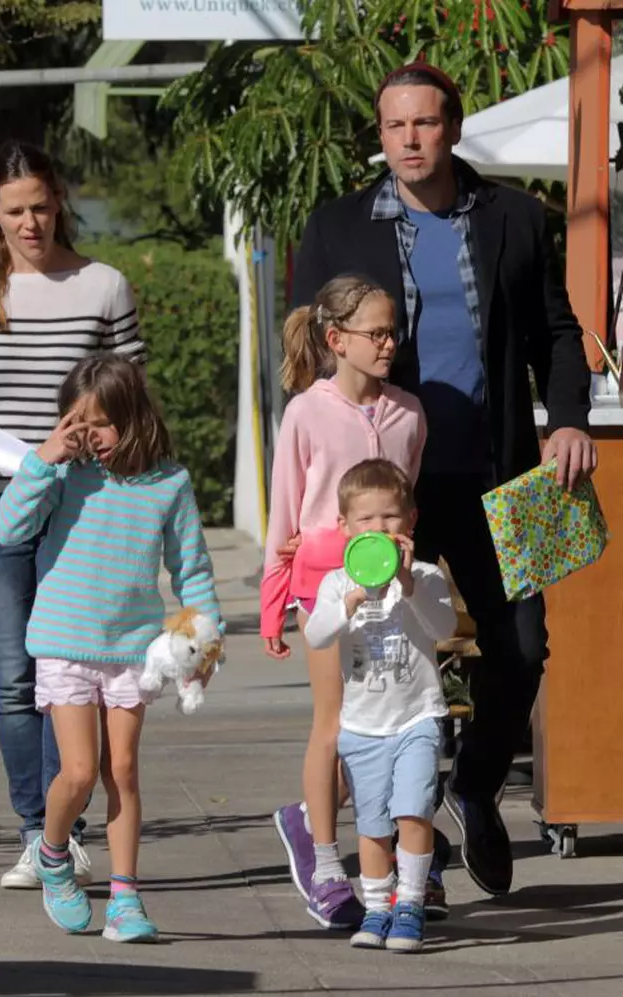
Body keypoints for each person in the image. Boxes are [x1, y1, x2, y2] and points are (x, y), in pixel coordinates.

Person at [288, 62, 596, 907]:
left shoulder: (517, 218)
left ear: (452, 127)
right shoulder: (336, 226)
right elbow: (308, 361)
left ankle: (477, 788)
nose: (411, 139)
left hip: (505, 476)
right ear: (380, 134)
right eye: (395, 126)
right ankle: (397, 864)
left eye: (425, 123)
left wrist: (567, 417)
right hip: (385, 499)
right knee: (387, 675)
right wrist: (307, 516)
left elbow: (558, 333)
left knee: (525, 648)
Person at [0, 140, 146, 887]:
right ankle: (32, 829)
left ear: (59, 201)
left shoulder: (103, 285)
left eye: (41, 206)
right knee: (15, 674)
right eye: (14, 210)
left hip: (81, 509)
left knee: (69, 670)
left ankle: (63, 830)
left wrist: (99, 434)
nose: (30, 223)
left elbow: (131, 392)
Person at [0, 354, 221, 942]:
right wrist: (44, 457)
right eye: (75, 422)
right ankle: (52, 853)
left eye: (97, 423)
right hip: (64, 642)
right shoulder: (63, 473)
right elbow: (9, 530)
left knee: (121, 770)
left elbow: (191, 570)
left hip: (131, 650)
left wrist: (203, 641)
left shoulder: (169, 482)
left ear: (132, 416)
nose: (86, 435)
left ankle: (126, 898)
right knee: (77, 772)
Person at [260, 275, 427, 929]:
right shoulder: (305, 410)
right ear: (337, 340)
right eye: (376, 333)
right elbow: (284, 510)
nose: (389, 343)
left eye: (393, 331)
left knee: (386, 725)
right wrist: (275, 603)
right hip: (322, 591)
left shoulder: (412, 413)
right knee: (333, 724)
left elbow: (405, 505)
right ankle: (328, 863)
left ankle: (312, 821)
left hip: (393, 602)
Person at [305, 459, 455, 953]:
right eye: (366, 520)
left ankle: (410, 903)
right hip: (362, 726)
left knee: (412, 813)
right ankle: (377, 908)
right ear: (344, 529)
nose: (379, 528)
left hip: (416, 717)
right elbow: (316, 633)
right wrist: (348, 601)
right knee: (372, 825)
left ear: (410, 522)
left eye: (390, 517)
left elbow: (443, 629)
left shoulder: (427, 576)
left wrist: (408, 585)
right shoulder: (334, 586)